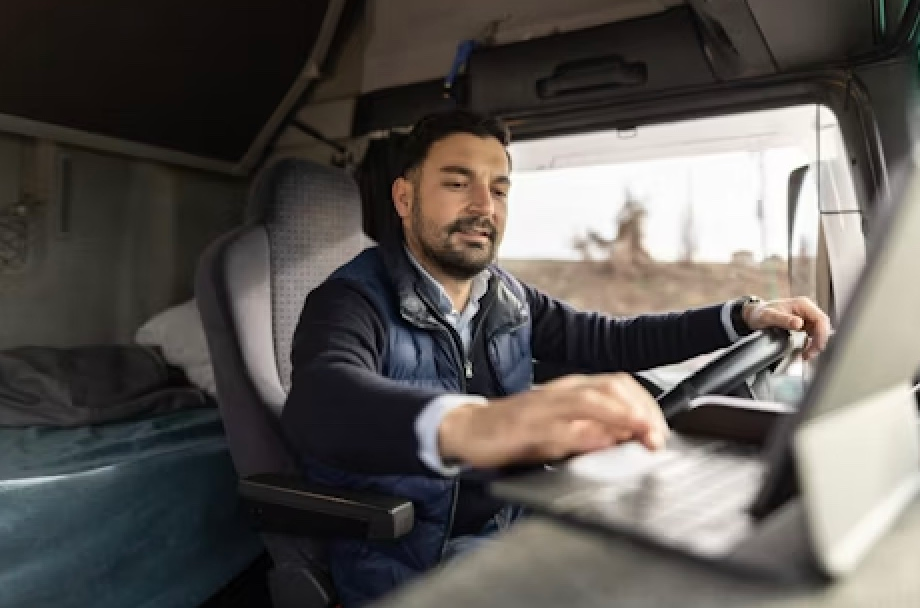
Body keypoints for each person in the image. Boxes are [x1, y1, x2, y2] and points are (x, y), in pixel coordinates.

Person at [281, 110, 831, 606]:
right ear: (404, 199)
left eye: (499, 190)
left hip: (518, 518)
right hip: (413, 558)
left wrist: (742, 315)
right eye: (457, 184)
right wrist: (479, 422)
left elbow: (611, 340)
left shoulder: (505, 295)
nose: (483, 207)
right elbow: (321, 400)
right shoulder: (350, 298)